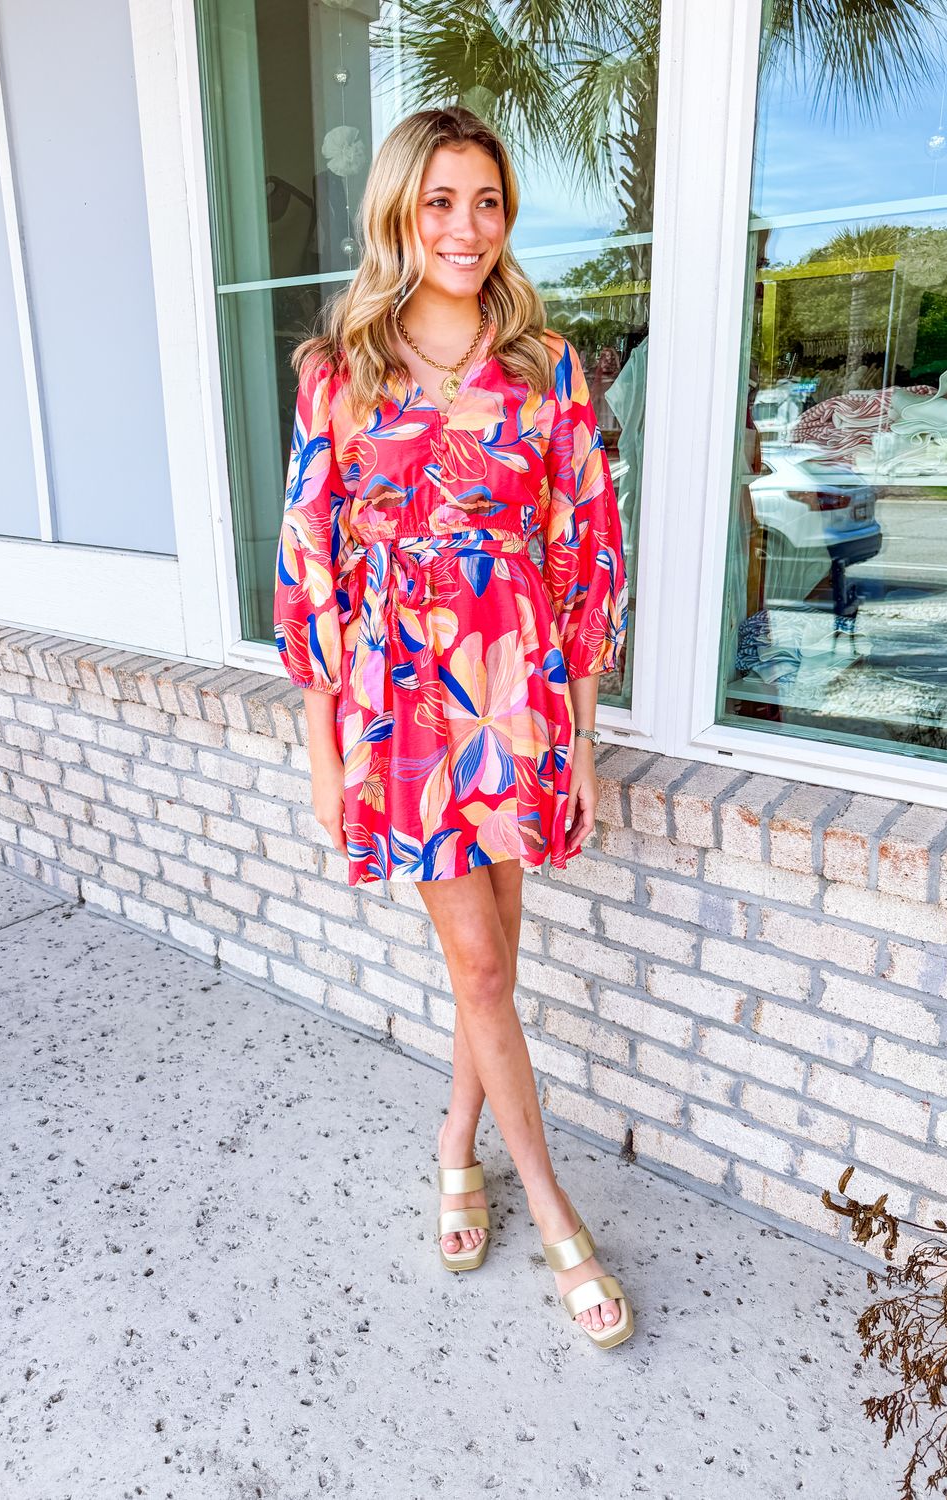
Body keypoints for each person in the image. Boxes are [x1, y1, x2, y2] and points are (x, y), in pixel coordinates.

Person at [273, 105, 632, 1349]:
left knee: (497, 967)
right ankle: (555, 1211)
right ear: (397, 213)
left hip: (518, 697)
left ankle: (456, 1141)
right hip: (403, 710)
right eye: (440, 201)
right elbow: (309, 561)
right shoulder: (340, 372)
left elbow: (586, 552)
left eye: (486, 202)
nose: (466, 228)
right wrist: (322, 746)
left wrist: (581, 737)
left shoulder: (546, 368)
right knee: (480, 967)